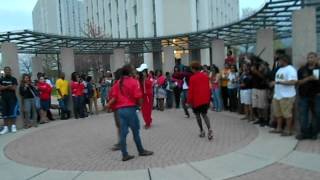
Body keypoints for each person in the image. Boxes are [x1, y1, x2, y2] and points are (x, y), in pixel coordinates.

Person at [106, 64, 153, 161]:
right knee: (136, 132)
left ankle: (125, 154)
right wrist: (140, 105)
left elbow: (114, 97)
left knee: (123, 133)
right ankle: (141, 150)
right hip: (130, 110)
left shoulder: (118, 83)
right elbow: (138, 97)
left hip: (120, 111)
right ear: (130, 72)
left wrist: (108, 105)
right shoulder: (134, 82)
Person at [270, 54, 297, 136]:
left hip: (287, 96)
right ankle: (279, 128)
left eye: (279, 60)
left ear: (285, 60)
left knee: (287, 114)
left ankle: (288, 130)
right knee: (278, 113)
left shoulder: (290, 69)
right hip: (277, 95)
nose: (278, 62)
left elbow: (293, 82)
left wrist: (278, 82)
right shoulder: (279, 70)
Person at [296, 52, 320, 140]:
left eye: (312, 57)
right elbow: (297, 82)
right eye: (309, 57)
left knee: (317, 114)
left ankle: (314, 133)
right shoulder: (302, 69)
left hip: (317, 96)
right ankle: (304, 133)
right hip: (304, 96)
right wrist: (308, 78)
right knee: (303, 115)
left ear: (316, 58)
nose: (310, 59)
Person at [187, 62, 213, 140]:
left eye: (191, 68)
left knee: (198, 116)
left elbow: (191, 91)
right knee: (205, 115)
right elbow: (208, 89)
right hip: (205, 100)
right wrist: (209, 99)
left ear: (193, 69)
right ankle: (209, 129)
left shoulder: (192, 78)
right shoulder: (205, 77)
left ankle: (202, 131)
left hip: (196, 100)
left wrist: (189, 101)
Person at [0, 67, 19, 134]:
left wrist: (4, 87)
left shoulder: (13, 79)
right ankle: (6, 128)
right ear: (4, 71)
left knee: (13, 113)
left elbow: (14, 88)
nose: (7, 72)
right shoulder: (1, 79)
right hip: (3, 99)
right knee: (4, 113)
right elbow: (0, 88)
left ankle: (13, 126)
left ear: (10, 71)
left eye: (8, 71)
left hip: (12, 98)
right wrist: (8, 86)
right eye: (6, 71)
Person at [137, 64, 154, 129]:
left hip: (148, 96)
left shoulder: (150, 77)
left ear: (145, 71)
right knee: (143, 110)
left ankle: (148, 123)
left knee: (148, 110)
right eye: (141, 72)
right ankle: (148, 120)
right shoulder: (140, 78)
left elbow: (150, 84)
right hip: (143, 96)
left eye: (143, 71)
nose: (142, 73)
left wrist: (145, 80)